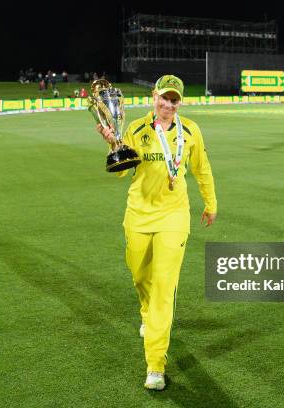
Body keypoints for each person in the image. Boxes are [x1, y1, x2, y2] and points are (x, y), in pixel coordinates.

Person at [96, 75, 217, 391]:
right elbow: (122, 172)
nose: (168, 104)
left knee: (164, 288)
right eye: (164, 98)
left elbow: (202, 168)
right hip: (138, 216)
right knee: (141, 278)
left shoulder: (190, 131)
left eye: (174, 100)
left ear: (180, 102)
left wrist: (211, 202)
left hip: (174, 217)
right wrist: (114, 144)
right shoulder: (135, 129)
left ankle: (155, 365)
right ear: (154, 97)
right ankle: (146, 314)